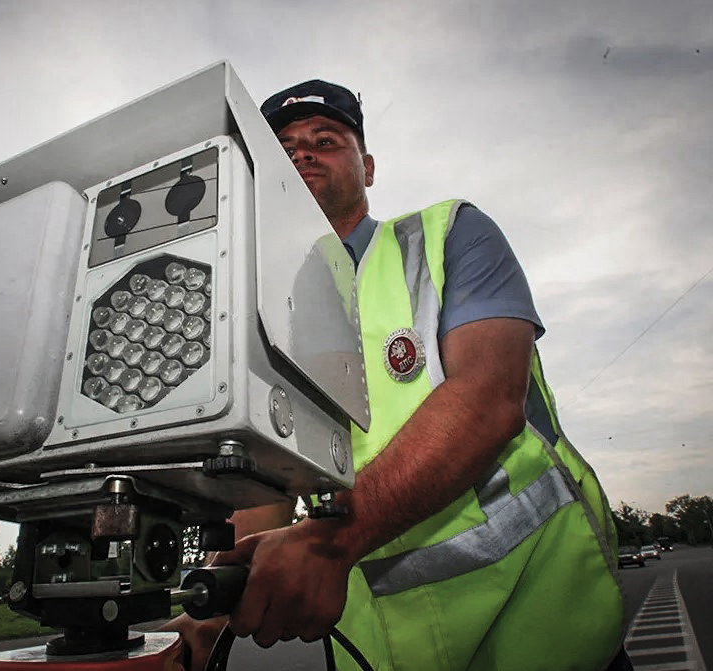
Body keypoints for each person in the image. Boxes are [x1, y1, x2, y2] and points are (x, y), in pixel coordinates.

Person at [166, 79, 630, 671]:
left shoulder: (446, 236)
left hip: (549, 631)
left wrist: (329, 542)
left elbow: (488, 398)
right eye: (282, 148)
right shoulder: (256, 313)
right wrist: (222, 601)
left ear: (369, 166)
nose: (302, 152)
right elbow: (265, 488)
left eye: (325, 139)